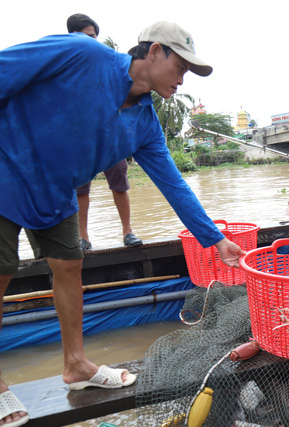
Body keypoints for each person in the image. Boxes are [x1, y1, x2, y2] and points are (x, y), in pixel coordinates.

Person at [0, 21, 245, 426]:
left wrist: (215, 240)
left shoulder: (146, 125)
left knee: (70, 265)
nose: (182, 80)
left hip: (56, 190)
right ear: (153, 53)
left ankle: (76, 365)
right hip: (6, 167)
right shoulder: (82, 53)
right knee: (3, 268)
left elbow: (173, 184)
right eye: (180, 68)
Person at [67, 13, 143, 251]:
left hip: (110, 136)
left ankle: (127, 231)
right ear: (71, 37)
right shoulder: (66, 65)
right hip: (80, 139)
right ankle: (83, 237)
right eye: (85, 37)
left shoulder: (107, 63)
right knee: (81, 188)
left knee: (119, 182)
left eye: (93, 37)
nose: (91, 42)